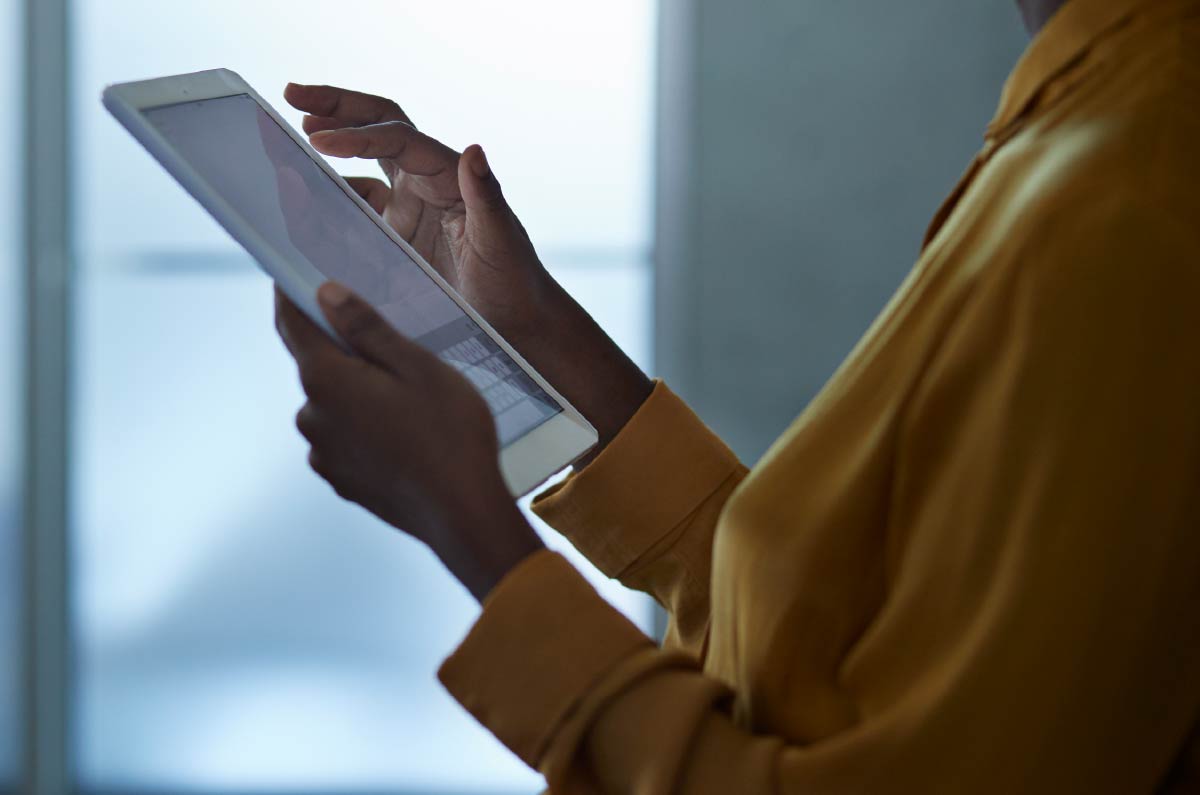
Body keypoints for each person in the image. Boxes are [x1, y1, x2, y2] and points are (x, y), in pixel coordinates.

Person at [272, 0, 1200, 790]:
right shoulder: (1089, 112)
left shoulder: (1135, 189)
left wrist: (466, 520)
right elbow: (823, 642)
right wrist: (531, 335)